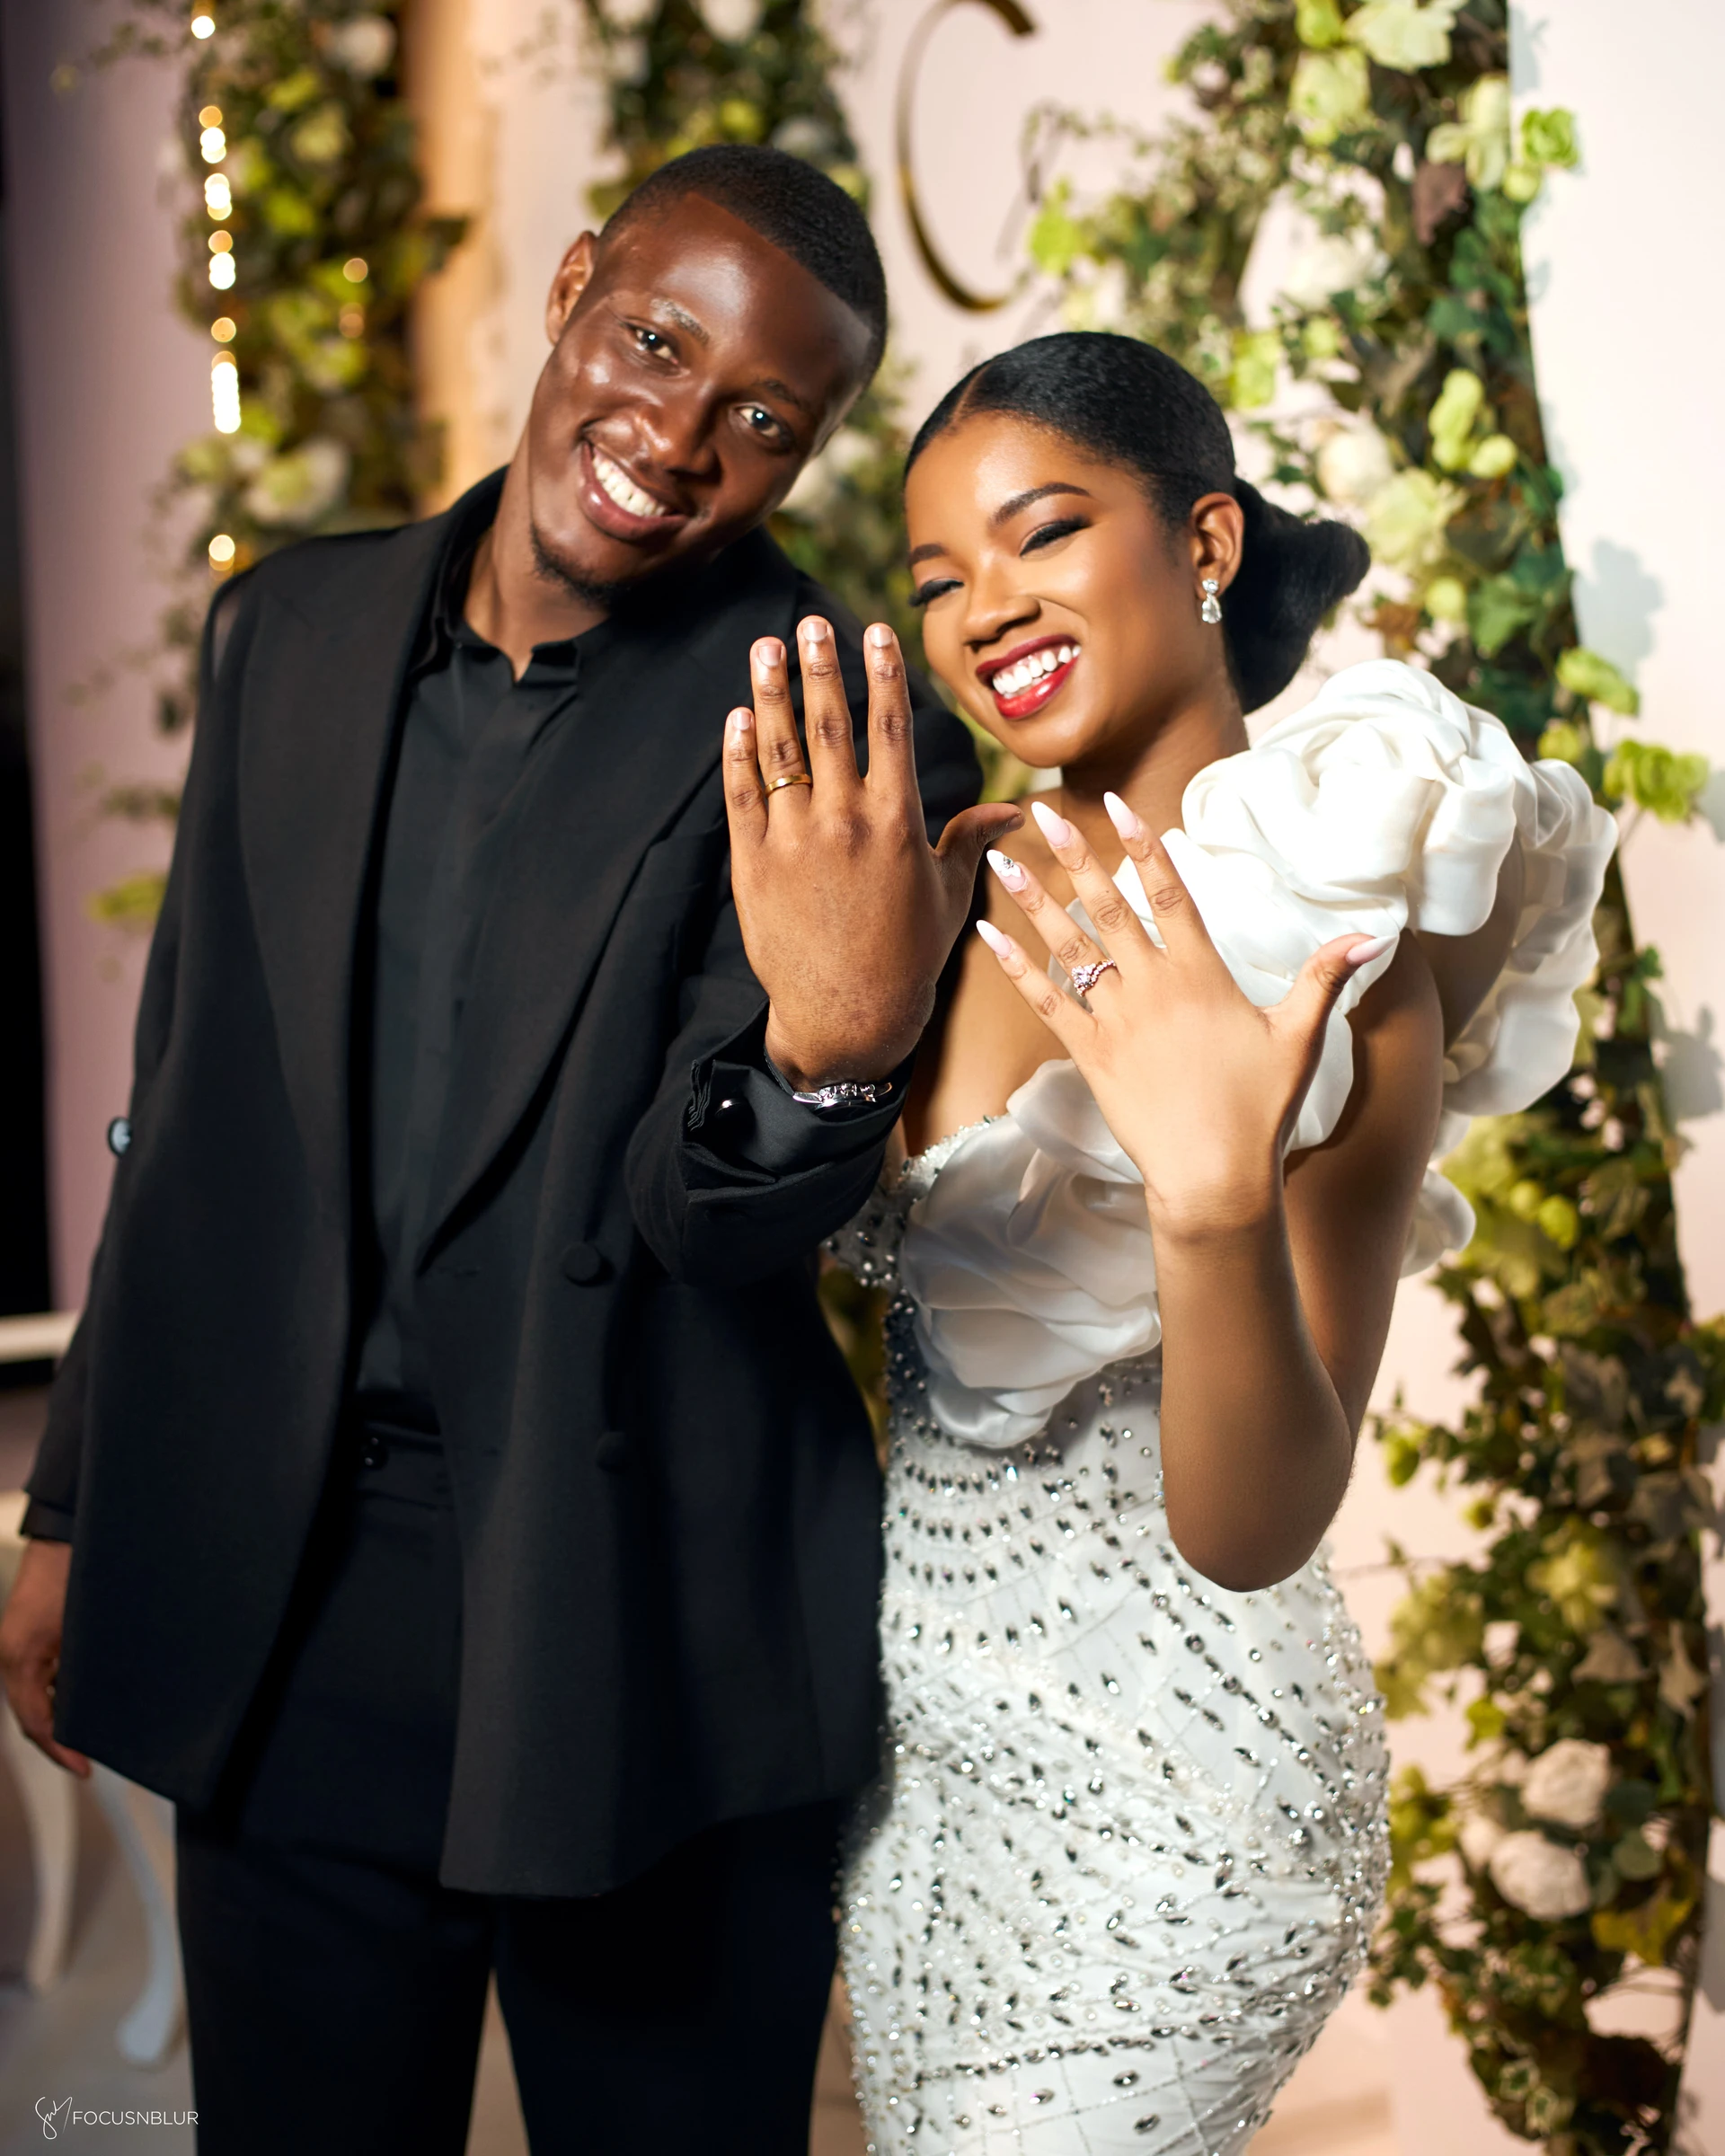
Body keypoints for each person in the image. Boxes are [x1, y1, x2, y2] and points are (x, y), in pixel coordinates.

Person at [0, 146, 1012, 2154]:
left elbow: (708, 1226)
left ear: (804, 461)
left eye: (763, 421)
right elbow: (189, 1101)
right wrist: (74, 1505)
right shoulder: (287, 630)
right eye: (655, 343)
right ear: (572, 293)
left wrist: (831, 1057)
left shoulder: (833, 731)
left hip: (645, 1623)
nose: (678, 439)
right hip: (293, 1605)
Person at [729, 332, 1616, 2152]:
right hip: (924, 1790)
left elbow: (1258, 1523)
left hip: (1183, 1805)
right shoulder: (928, 884)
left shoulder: (1327, 933)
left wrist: (1212, 1195)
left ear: (1205, 540)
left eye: (1045, 532)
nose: (988, 607)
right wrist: (817, 1039)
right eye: (940, 580)